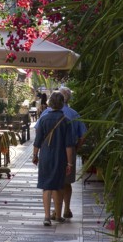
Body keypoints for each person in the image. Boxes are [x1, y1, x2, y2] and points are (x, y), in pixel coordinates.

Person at [39, 87, 87, 219]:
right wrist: (75, 148)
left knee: (52, 183)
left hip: (49, 155)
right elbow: (83, 135)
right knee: (66, 183)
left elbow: (38, 132)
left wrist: (38, 152)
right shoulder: (74, 114)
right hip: (68, 155)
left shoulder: (45, 114)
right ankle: (66, 209)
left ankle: (54, 212)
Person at [32, 91, 73, 226]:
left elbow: (37, 140)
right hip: (60, 157)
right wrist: (70, 163)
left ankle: (47, 216)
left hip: (45, 156)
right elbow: (68, 145)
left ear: (50, 103)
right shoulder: (66, 121)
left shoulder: (43, 119)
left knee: (46, 186)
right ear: (62, 104)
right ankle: (58, 215)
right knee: (58, 186)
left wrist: (35, 155)